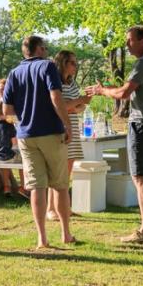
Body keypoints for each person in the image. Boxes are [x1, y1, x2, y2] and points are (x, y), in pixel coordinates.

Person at [87, 26, 143, 243]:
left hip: (142, 127)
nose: (127, 44)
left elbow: (124, 92)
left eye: (130, 40)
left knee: (140, 178)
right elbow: (129, 88)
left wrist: (101, 91)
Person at [2, 35, 74, 248]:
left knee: (37, 187)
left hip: (26, 135)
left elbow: (6, 110)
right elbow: (56, 97)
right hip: (51, 132)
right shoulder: (48, 66)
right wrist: (67, 124)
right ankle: (66, 233)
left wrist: (26, 112)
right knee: (60, 185)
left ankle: (42, 238)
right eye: (45, 47)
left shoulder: (14, 73)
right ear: (39, 49)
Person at [47, 50, 90, 221]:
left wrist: (76, 104)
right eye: (72, 62)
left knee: (67, 171)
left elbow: (78, 108)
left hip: (73, 127)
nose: (75, 66)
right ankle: (51, 209)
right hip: (60, 128)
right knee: (57, 172)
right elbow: (59, 106)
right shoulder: (55, 82)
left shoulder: (71, 83)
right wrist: (78, 102)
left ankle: (64, 207)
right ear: (63, 63)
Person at [0, 99, 27, 198]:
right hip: (7, 157)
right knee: (25, 159)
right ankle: (23, 188)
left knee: (5, 158)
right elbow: (15, 144)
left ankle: (7, 187)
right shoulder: (9, 126)